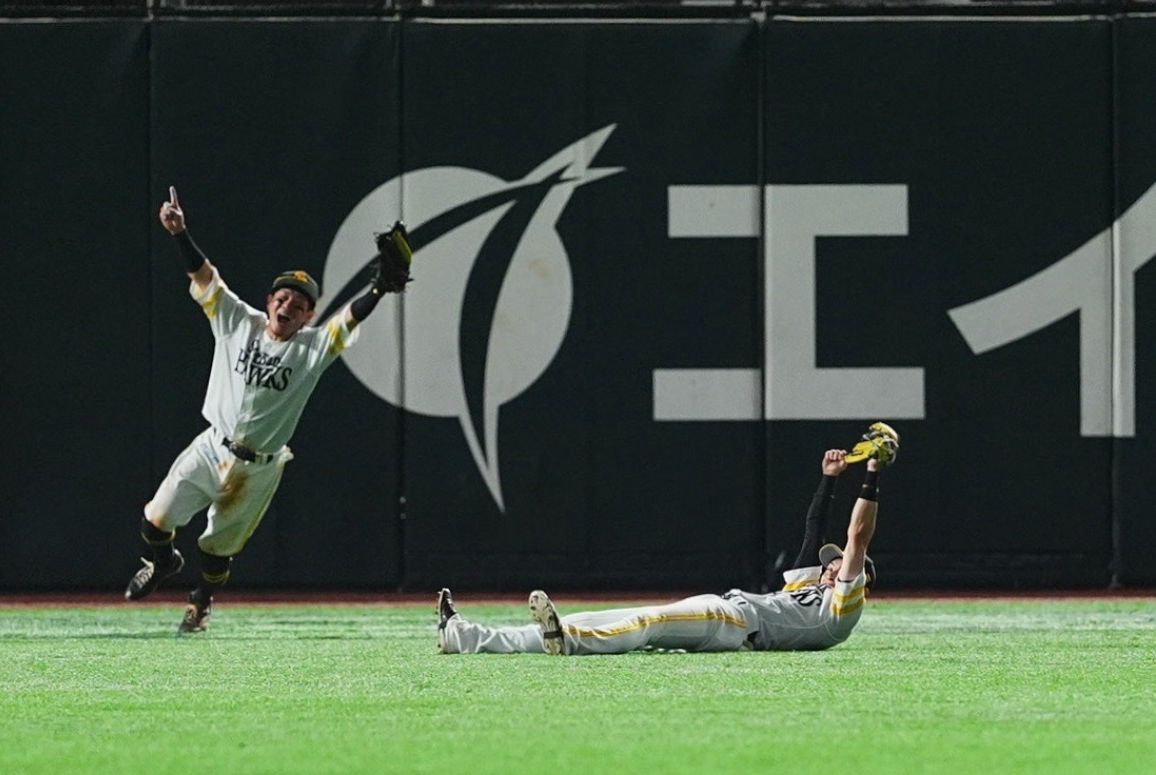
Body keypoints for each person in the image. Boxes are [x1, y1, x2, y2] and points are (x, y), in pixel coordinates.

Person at [125, 187, 411, 634]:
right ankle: (163, 562)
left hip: (257, 468)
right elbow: (206, 279)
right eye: (282, 298)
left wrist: (377, 289)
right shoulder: (239, 321)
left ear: (308, 316)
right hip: (211, 445)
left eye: (299, 305)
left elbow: (348, 319)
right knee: (155, 520)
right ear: (269, 300)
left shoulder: (313, 347)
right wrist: (180, 234)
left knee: (219, 549)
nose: (287, 306)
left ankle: (201, 602)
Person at [435, 423, 898, 655]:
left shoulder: (841, 610)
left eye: (839, 563)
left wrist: (873, 471)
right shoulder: (810, 589)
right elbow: (813, 531)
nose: (832, 562)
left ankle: (569, 641)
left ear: (861, 580)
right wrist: (829, 479)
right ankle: (467, 636)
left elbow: (857, 535)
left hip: (735, 622)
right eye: (832, 561)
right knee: (629, 617)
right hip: (730, 615)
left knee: (648, 619)